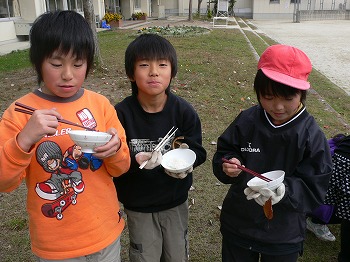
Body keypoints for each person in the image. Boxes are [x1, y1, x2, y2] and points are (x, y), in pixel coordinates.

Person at [0, 10, 131, 261]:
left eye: (78, 64)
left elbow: (122, 167)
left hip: (105, 233)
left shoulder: (100, 105)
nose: (68, 74)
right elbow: (3, 182)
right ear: (38, 62)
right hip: (56, 245)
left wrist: (114, 150)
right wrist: (24, 140)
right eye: (57, 64)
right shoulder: (19, 113)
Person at [212, 44, 333, 262]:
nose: (277, 106)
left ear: (302, 93)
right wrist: (228, 164)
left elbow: (316, 187)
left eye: (288, 98)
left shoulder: (310, 135)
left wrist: (286, 191)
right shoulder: (247, 120)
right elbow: (225, 151)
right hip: (239, 223)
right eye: (268, 97)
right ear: (257, 92)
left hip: (283, 234)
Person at [113, 33, 207, 261]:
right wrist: (136, 162)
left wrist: (188, 159)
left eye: (162, 65)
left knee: (176, 254)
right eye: (144, 65)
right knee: (145, 254)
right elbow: (114, 161)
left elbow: (198, 151)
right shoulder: (120, 114)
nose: (154, 71)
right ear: (131, 74)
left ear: (172, 71)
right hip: (138, 204)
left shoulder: (183, 111)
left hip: (175, 200)